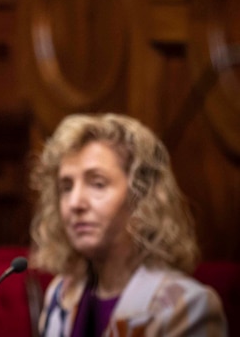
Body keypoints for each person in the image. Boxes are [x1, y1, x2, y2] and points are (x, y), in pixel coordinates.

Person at [29, 113, 227, 336]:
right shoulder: (61, 293)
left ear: (141, 196)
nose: (75, 203)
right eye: (66, 187)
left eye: (98, 184)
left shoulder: (187, 306)